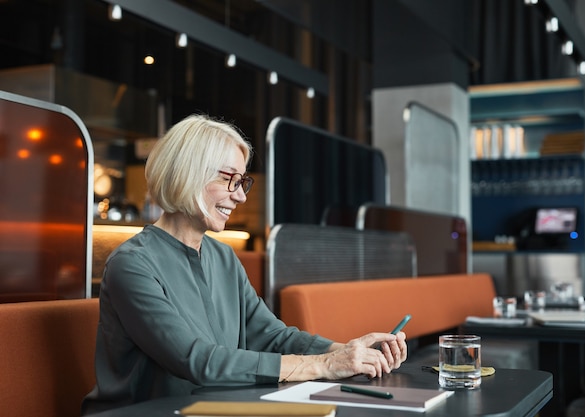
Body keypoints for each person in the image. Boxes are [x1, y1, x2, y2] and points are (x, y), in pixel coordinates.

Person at [81, 114, 408, 415]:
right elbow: (198, 361)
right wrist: (325, 365)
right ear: (188, 175)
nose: (240, 196)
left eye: (242, 182)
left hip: (213, 408)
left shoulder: (222, 256)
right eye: (229, 180)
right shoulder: (132, 264)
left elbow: (272, 336)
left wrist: (350, 352)